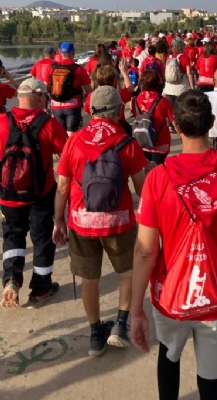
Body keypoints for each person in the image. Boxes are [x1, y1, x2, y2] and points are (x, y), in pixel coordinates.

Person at [130, 90, 217, 400]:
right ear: (212, 124)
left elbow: (145, 250)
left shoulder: (158, 178)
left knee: (169, 353)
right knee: (212, 376)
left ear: (175, 125)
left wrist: (136, 309)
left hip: (170, 293)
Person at [52, 86, 147, 356]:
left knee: (89, 279)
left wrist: (59, 220)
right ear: (119, 110)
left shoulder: (74, 141)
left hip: (81, 222)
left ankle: (95, 334)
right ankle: (119, 324)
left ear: (90, 110)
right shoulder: (127, 143)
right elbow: (141, 188)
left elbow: (62, 187)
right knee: (127, 272)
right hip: (119, 222)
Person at [0, 77, 67, 308]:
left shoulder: (2, 123)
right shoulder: (48, 124)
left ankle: (11, 279)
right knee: (42, 240)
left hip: (8, 196)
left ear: (19, 97)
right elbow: (66, 156)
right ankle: (41, 289)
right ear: (39, 96)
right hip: (41, 194)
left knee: (13, 237)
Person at [132, 70, 176, 165]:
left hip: (142, 140)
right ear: (157, 83)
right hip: (160, 142)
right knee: (158, 171)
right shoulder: (163, 101)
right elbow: (174, 121)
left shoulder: (135, 100)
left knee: (146, 170)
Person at [49, 42, 92, 136]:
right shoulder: (78, 69)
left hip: (55, 105)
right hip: (73, 105)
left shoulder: (52, 67)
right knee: (71, 134)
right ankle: (69, 150)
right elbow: (89, 90)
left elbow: (48, 87)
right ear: (73, 53)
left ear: (60, 53)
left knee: (60, 134)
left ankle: (62, 150)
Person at [163, 40, 194, 110]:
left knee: (171, 109)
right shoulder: (185, 58)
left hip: (169, 87)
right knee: (181, 109)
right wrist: (192, 87)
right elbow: (189, 73)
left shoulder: (169, 57)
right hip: (181, 87)